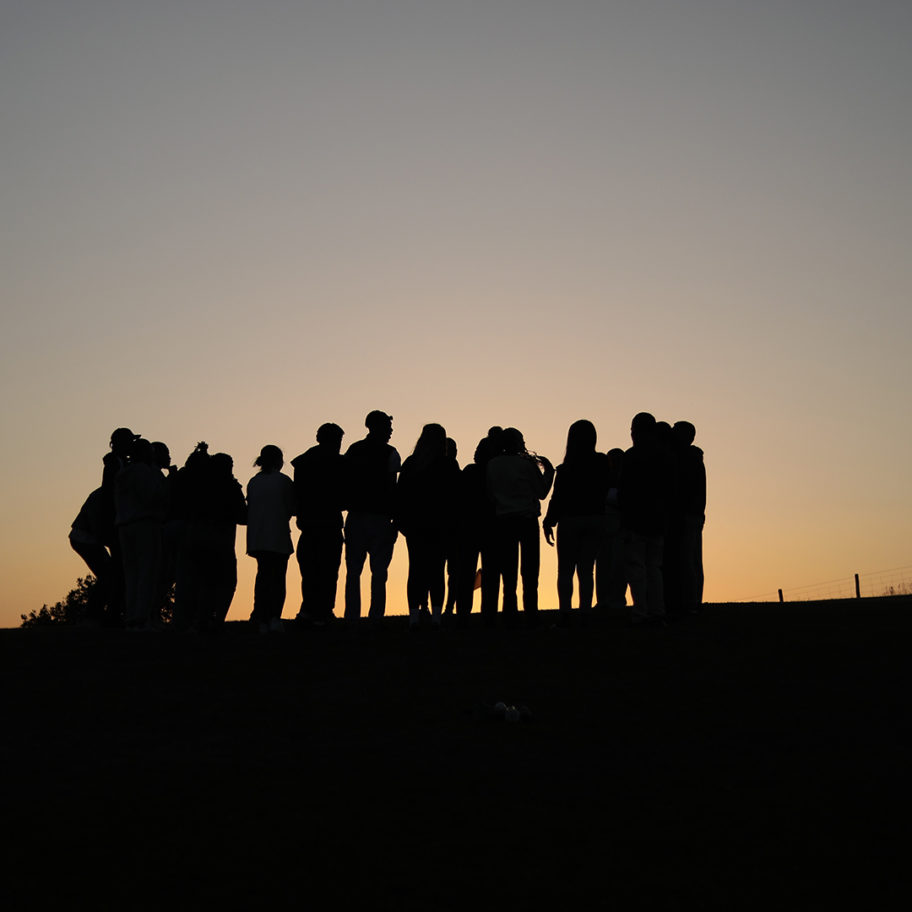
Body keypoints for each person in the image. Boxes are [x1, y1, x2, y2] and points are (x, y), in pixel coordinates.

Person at [543, 420, 610, 626]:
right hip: (595, 519)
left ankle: (565, 613)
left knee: (565, 570)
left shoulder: (566, 468)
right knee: (586, 569)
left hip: (570, 520)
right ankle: (585, 612)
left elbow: (558, 498)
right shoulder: (602, 462)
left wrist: (549, 521)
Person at [396, 423, 461, 629]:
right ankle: (436, 616)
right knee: (437, 571)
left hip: (416, 527)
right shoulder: (448, 464)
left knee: (415, 569)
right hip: (440, 526)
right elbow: (456, 498)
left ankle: (414, 616)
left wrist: (402, 523)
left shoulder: (411, 463)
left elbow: (401, 495)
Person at [486, 428, 554, 625]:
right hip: (526, 519)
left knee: (508, 572)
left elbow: (491, 494)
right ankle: (531, 614)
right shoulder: (526, 464)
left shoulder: (492, 464)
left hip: (504, 521)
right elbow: (542, 492)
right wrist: (549, 472)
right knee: (530, 570)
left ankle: (509, 614)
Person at [343, 411, 400, 624]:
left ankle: (352, 615)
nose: (391, 431)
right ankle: (375, 615)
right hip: (380, 518)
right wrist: (395, 520)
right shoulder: (390, 453)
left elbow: (345, 481)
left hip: (357, 516)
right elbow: (393, 489)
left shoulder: (353, 451)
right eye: (387, 426)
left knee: (353, 571)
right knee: (379, 571)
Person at [291, 423, 347, 627]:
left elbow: (297, 495)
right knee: (328, 570)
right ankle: (323, 611)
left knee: (310, 571)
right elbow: (344, 495)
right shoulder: (339, 463)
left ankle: (309, 609)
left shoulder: (303, 462)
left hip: (309, 524)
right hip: (329, 523)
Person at [619, 412, 671, 625]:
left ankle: (641, 611)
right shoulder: (665, 456)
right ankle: (657, 610)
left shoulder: (631, 456)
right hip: (657, 518)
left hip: (636, 519)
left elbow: (624, 489)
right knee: (654, 567)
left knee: (637, 567)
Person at [114, 438, 168, 631]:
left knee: (132, 573)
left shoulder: (123, 473)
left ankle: (132, 615)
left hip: (124, 526)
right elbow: (153, 497)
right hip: (145, 523)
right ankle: (141, 618)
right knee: (147, 571)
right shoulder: (143, 472)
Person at [246, 445, 295, 633]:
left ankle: (261, 617)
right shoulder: (283, 481)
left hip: (258, 538)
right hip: (278, 537)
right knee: (277, 579)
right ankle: (274, 617)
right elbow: (291, 508)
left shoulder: (253, 482)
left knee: (263, 577)